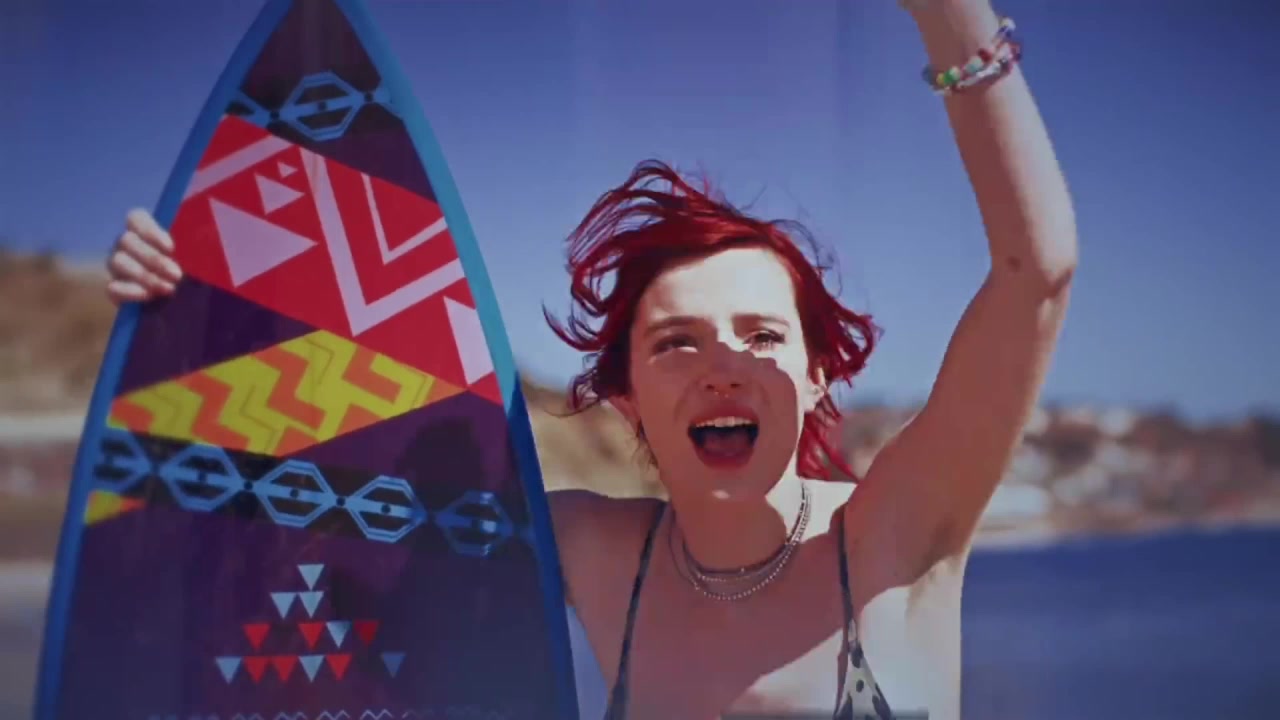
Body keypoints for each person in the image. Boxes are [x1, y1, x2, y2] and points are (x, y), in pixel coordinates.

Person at [102, 0, 1077, 717]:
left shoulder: (893, 537)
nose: (722, 364)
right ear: (627, 398)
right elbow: (305, 500)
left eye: (762, 335)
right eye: (676, 342)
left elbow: (1034, 274)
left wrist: (948, 17)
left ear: (816, 373)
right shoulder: (594, 552)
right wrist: (198, 311)